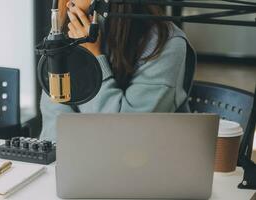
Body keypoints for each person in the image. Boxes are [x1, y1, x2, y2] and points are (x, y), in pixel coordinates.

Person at [40, 0, 193, 140]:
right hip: (78, 160)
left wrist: (93, 58)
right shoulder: (72, 28)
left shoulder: (166, 43)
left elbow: (125, 132)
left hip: (142, 162)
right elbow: (54, 116)